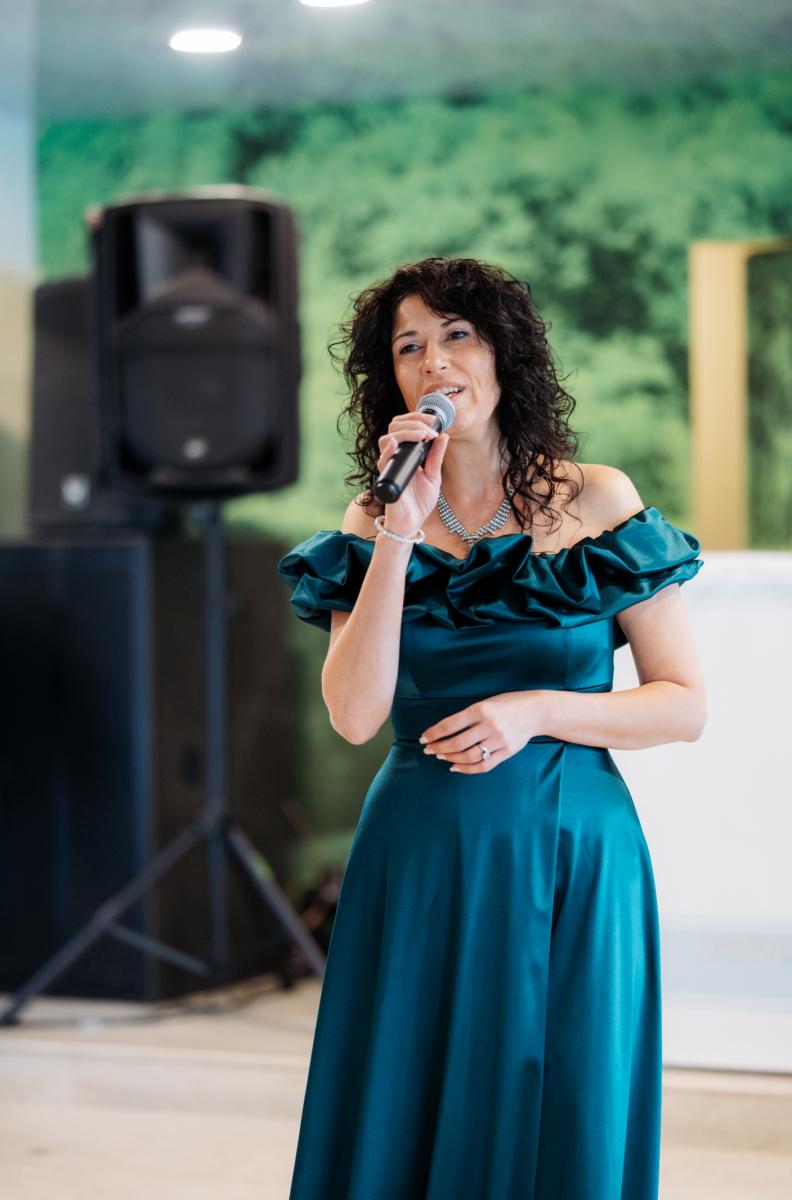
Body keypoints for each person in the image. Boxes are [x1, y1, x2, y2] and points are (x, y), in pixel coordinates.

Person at [276, 256, 707, 1200]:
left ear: (503, 353)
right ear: (391, 382)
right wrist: (398, 528)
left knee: (564, 1094)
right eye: (409, 347)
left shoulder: (598, 498)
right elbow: (354, 714)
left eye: (457, 335)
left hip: (573, 849)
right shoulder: (374, 516)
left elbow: (682, 703)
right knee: (406, 1095)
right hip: (421, 851)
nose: (434, 361)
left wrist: (538, 710)